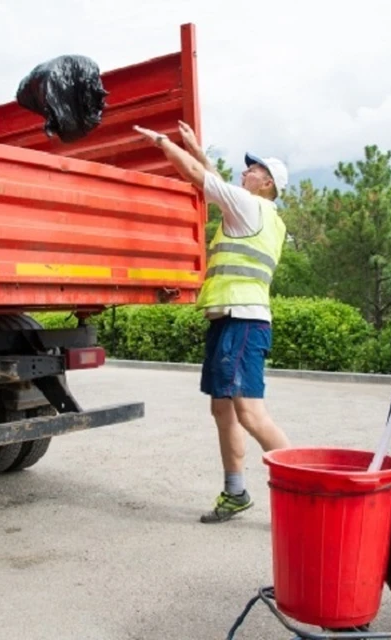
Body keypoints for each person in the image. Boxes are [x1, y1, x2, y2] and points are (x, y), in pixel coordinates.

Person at [133, 121, 292, 523]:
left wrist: (164, 143)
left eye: (254, 169)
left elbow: (197, 177)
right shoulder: (258, 211)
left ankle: (304, 493)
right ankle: (235, 493)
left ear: (268, 184)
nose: (246, 171)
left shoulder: (250, 206)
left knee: (250, 413)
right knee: (223, 411)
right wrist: (195, 146)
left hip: (243, 321)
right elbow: (214, 177)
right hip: (229, 321)